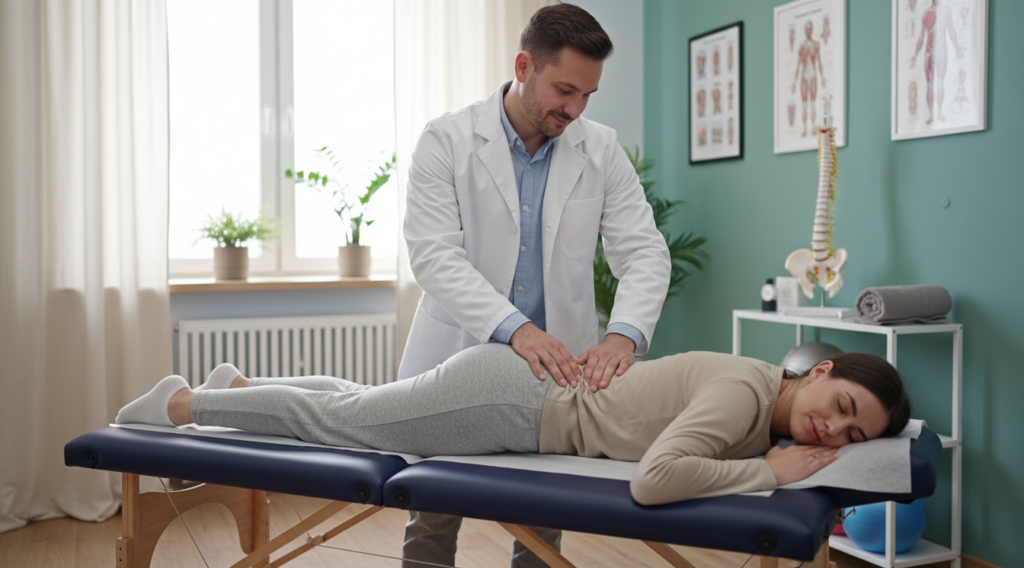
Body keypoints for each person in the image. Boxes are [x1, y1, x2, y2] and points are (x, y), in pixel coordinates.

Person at [399, 1, 670, 567]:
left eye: (588, 96)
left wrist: (623, 336)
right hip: (458, 355)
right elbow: (433, 257)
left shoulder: (601, 150)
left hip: (557, 372)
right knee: (432, 514)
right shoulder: (446, 140)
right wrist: (517, 330)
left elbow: (643, 251)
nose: (575, 109)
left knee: (546, 521)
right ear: (524, 66)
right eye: (564, 90)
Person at [116, 343, 912, 507]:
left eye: (850, 437)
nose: (830, 431)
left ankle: (239, 386)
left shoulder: (762, 395)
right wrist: (764, 473)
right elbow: (654, 479)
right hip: (513, 403)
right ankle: (184, 405)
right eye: (839, 406)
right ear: (819, 369)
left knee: (361, 403)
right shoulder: (746, 394)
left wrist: (772, 455)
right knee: (347, 421)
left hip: (519, 399)